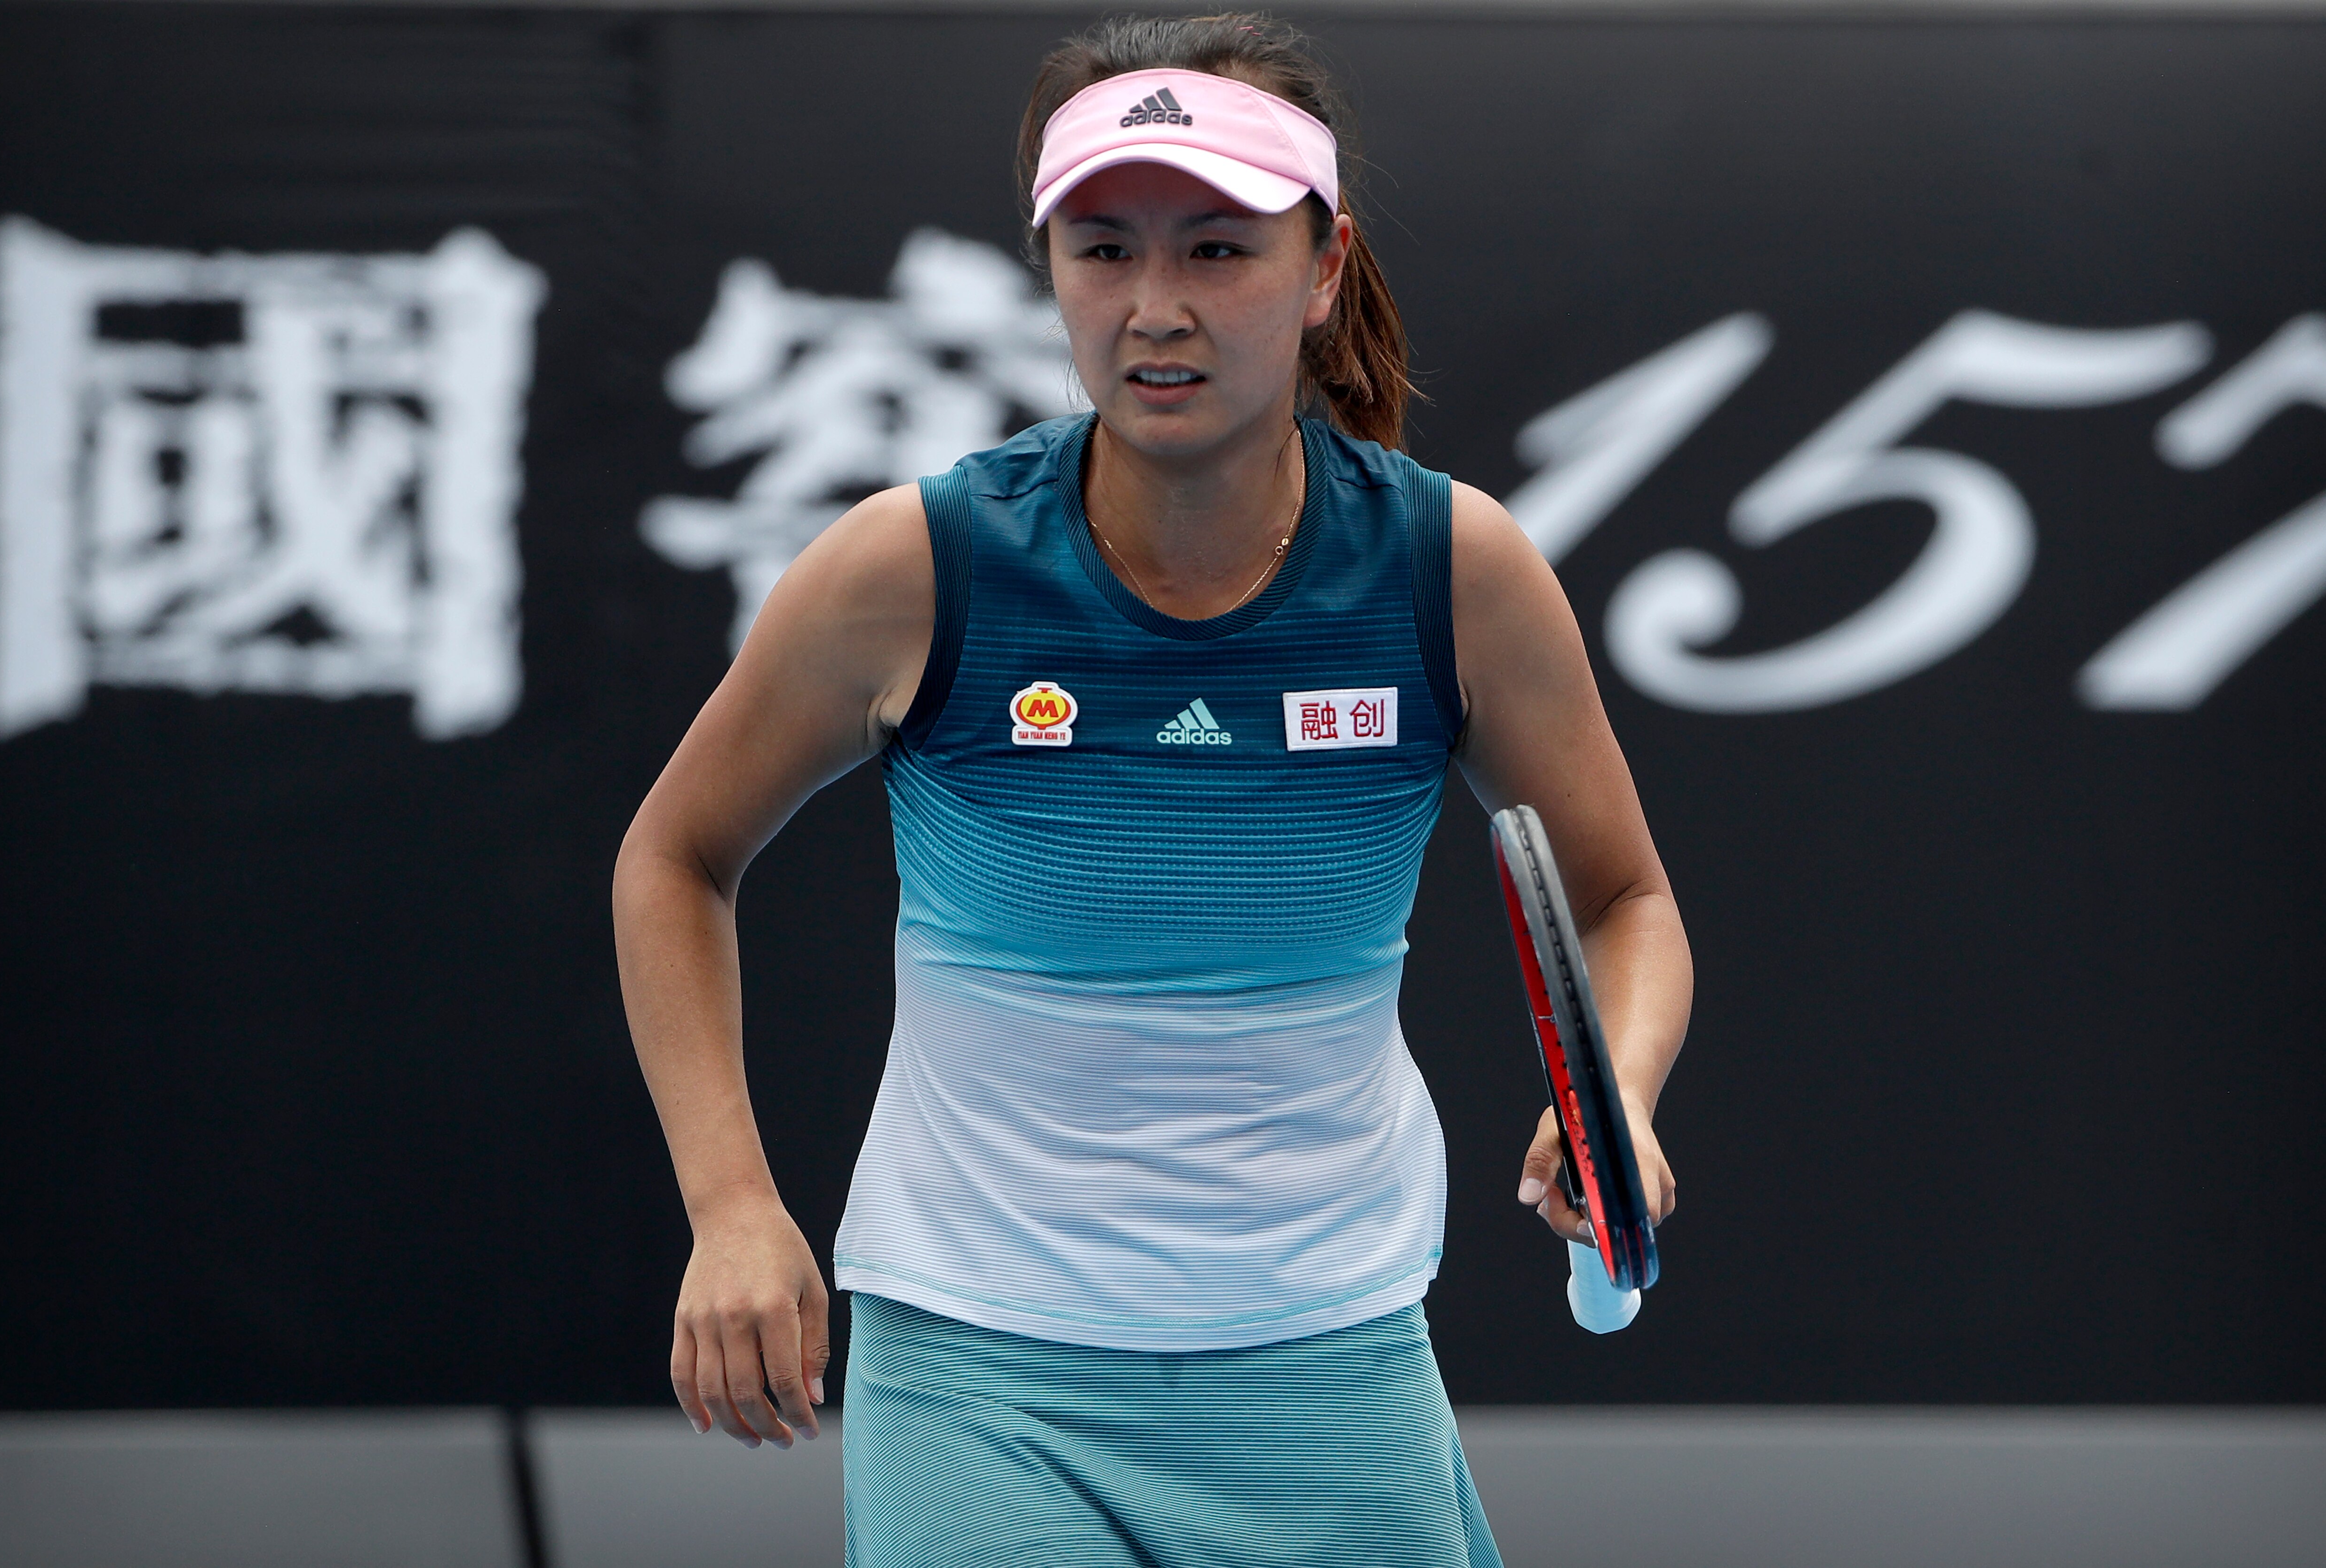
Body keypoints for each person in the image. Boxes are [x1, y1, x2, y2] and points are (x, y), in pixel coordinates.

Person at [612, 13, 1690, 1565]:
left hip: (1329, 1368)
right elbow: (675, 859)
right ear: (1049, 266)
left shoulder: (1453, 575)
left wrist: (1621, 1099)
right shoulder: (916, 568)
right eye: (1104, 251)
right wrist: (730, 1206)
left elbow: (1627, 898)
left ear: (1324, 272)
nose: (1156, 310)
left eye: (1220, 251)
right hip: (977, 1372)